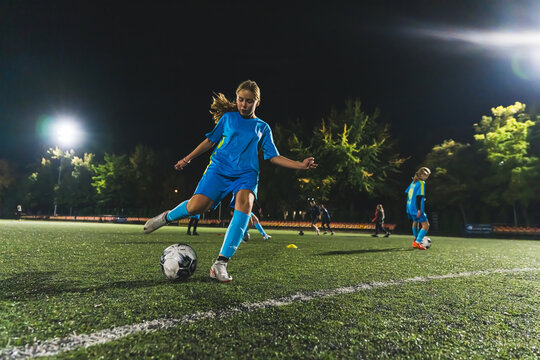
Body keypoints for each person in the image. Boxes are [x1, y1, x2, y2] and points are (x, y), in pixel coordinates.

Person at [143, 80, 317, 282]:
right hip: (219, 169)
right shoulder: (228, 118)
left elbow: (273, 156)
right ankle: (166, 217)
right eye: (241, 100)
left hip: (247, 174)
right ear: (236, 99)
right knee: (196, 207)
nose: (244, 104)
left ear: (257, 102)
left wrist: (299, 165)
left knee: (246, 204)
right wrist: (186, 159)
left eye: (249, 101)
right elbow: (209, 141)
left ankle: (220, 264)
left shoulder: (263, 127)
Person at [405, 167, 431, 250]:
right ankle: (418, 242)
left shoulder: (413, 182)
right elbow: (419, 196)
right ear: (422, 175)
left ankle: (416, 240)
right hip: (416, 207)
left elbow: (409, 193)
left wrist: (422, 198)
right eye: (426, 176)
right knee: (426, 225)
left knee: (415, 222)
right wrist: (419, 209)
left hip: (409, 206)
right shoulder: (422, 183)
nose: (427, 178)